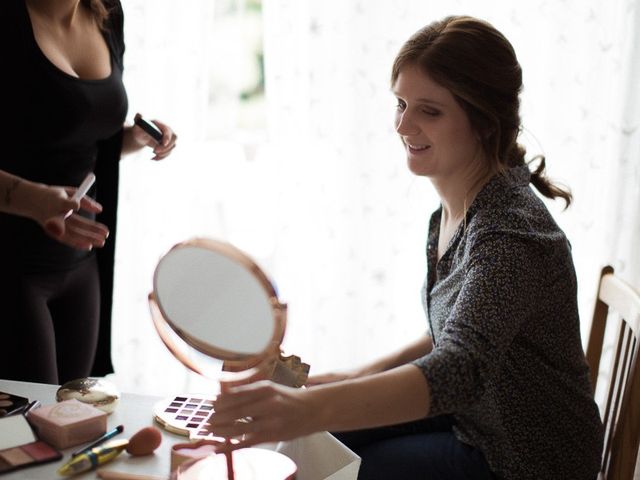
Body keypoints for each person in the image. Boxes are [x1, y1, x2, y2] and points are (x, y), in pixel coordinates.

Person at [208, 15, 604, 480]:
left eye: (429, 111)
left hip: (526, 456)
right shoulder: (454, 209)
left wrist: (308, 406)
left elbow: (460, 368)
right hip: (476, 418)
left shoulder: (510, 236)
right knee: (324, 440)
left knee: (347, 465)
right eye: (400, 103)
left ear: (483, 121)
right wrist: (335, 382)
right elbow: (445, 337)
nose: (402, 125)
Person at [0, 0, 177, 385]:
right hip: (12, 267)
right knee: (21, 433)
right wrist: (31, 198)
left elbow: (88, 141)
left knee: (72, 421)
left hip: (81, 267)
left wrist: (135, 138)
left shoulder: (107, 13)